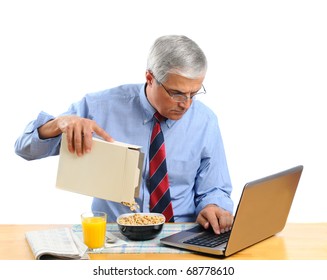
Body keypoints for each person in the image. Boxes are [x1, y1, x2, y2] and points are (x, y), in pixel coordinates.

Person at [15, 35, 234, 234]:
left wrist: (213, 206)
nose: (186, 104)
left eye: (193, 94)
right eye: (176, 93)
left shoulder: (205, 121)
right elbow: (24, 148)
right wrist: (57, 124)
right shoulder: (100, 108)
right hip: (114, 235)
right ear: (150, 78)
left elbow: (214, 187)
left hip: (182, 234)